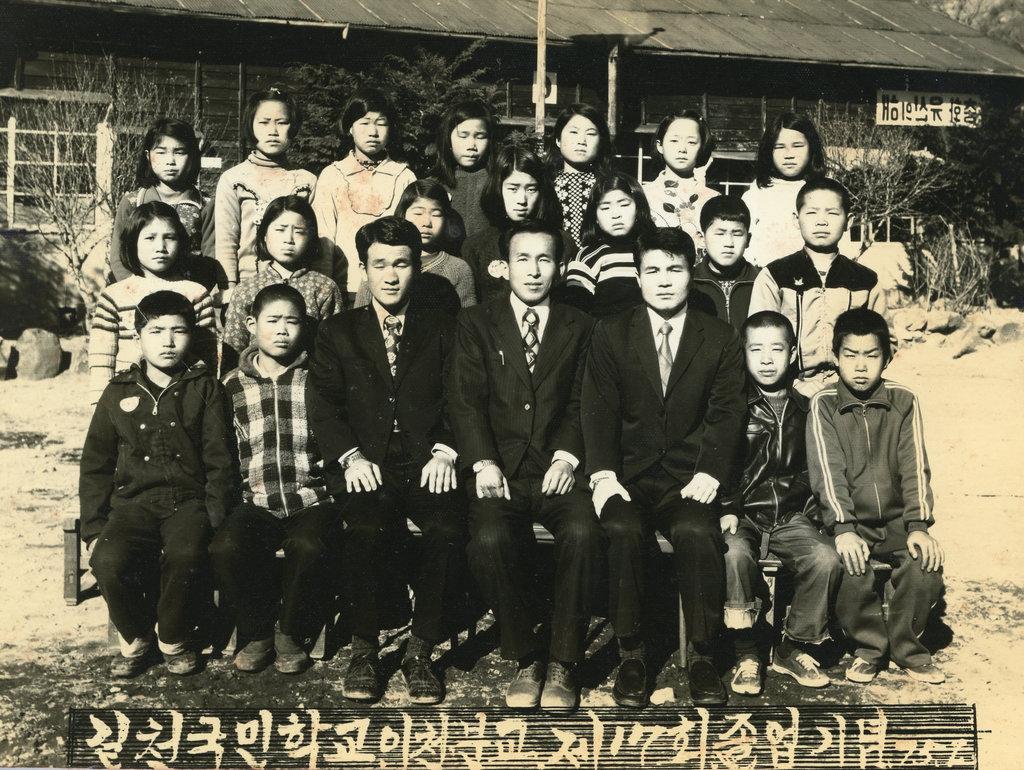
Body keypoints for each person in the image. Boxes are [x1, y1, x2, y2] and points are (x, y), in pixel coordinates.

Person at [582, 227, 747, 708]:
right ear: (637, 276)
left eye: (675, 269)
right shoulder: (611, 332)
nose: (664, 280)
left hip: (687, 479)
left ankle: (701, 655)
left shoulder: (718, 336)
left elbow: (727, 412)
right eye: (652, 270)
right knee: (621, 529)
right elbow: (598, 409)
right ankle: (632, 653)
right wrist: (603, 475)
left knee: (697, 533)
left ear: (691, 274)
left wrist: (710, 472)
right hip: (628, 477)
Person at [306, 216, 466, 705]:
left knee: (446, 529)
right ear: (364, 269)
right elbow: (323, 404)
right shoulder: (338, 331)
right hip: (366, 463)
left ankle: (421, 649)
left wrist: (446, 450)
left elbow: (463, 397)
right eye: (379, 264)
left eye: (401, 264)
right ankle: (364, 647)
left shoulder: (442, 328)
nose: (391, 276)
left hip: (426, 461)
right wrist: (350, 457)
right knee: (364, 528)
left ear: (417, 267)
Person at [447, 219, 603, 712]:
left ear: (560, 267)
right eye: (523, 259)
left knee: (583, 533)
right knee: (488, 539)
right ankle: (527, 654)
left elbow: (584, 401)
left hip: (559, 470)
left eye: (544, 260)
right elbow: (465, 401)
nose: (534, 271)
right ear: (503, 267)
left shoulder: (581, 325)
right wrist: (483, 462)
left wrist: (568, 456)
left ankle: (563, 660)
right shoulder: (476, 322)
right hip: (501, 470)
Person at [81, 291, 232, 678]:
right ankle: (136, 636)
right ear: (137, 337)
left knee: (186, 553)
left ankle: (173, 636)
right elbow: (96, 464)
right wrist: (94, 528)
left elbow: (219, 459)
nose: (168, 341)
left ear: (191, 335)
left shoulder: (204, 388)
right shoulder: (118, 392)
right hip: (133, 504)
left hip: (187, 503)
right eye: (156, 331)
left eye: (178, 331)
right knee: (106, 560)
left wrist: (213, 516)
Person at [807, 307, 946, 686]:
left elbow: (916, 466)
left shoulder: (904, 400)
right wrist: (843, 528)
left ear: (887, 357)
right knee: (851, 568)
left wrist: (918, 526)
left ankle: (908, 648)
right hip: (850, 524)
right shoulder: (823, 404)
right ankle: (869, 649)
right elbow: (828, 473)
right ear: (835, 357)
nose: (860, 366)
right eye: (850, 355)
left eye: (871, 355)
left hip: (898, 521)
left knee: (925, 565)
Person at [211, 284, 340, 675]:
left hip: (310, 498)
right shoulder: (231, 385)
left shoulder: (316, 379)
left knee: (309, 546)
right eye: (273, 320)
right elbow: (224, 451)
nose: (282, 330)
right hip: (256, 500)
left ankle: (290, 631)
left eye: (292, 322)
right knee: (227, 548)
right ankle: (257, 632)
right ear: (252, 325)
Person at [720, 311, 842, 697]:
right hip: (743, 513)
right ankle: (746, 652)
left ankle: (793, 645)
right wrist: (729, 507)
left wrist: (810, 512)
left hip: (790, 514)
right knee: (734, 554)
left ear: (792, 355)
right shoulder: (732, 405)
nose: (767, 359)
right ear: (743, 354)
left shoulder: (807, 408)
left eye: (777, 349)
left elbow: (813, 466)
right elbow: (721, 462)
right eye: (756, 349)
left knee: (825, 558)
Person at [748, 176, 886, 396]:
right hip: (790, 389)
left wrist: (851, 380)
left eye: (832, 213)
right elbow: (759, 340)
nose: (822, 222)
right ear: (796, 219)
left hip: (851, 390)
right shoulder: (775, 276)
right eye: (812, 213)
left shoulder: (865, 281)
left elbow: (885, 342)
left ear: (849, 221)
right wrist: (793, 384)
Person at [89, 202, 216, 404]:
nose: (160, 247)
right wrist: (100, 404)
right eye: (150, 238)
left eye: (169, 237)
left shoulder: (196, 293)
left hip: (181, 400)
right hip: (127, 399)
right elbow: (101, 358)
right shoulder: (115, 295)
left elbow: (206, 357)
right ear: (133, 243)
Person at [214, 87, 317, 298]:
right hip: (246, 287)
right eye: (264, 122)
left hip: (298, 288)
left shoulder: (306, 181)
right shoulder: (234, 179)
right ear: (250, 126)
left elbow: (317, 241)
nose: (273, 131)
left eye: (282, 122)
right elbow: (226, 240)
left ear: (293, 126)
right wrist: (229, 287)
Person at [313, 88, 417, 294]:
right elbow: (324, 238)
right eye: (365, 123)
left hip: (391, 288)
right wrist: (324, 289)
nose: (373, 132)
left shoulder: (404, 177)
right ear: (350, 128)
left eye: (381, 123)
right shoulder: (333, 175)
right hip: (344, 288)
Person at [222, 195, 343, 359]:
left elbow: (334, 348)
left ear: (310, 238)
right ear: (264, 235)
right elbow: (233, 349)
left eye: (299, 232)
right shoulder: (246, 289)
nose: (289, 240)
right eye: (280, 230)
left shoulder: (324, 287)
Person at [108, 118, 220, 290]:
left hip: (187, 295)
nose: (170, 161)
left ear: (192, 156)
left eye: (179, 152)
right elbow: (118, 257)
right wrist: (135, 289)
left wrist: (190, 292)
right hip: (137, 293)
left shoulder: (205, 204)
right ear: (148, 156)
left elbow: (210, 259)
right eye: (161, 152)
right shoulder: (133, 202)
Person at [462, 143, 568, 304]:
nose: (522, 200)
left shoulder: (562, 242)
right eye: (513, 189)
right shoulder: (476, 246)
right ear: (498, 189)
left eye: (531, 189)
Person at [353, 179, 476, 308]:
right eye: (418, 213)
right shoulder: (378, 263)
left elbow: (467, 317)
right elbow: (360, 314)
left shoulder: (458, 268)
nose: (426, 222)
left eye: (436, 214)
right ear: (403, 214)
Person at [560, 172, 656, 318]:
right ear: (595, 217)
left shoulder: (654, 251)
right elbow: (576, 311)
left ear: (638, 209)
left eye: (624, 205)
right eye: (605, 208)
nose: (616, 215)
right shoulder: (587, 256)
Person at [741, 112, 826, 267]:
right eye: (779, 147)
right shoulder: (756, 193)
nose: (789, 155)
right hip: (763, 274)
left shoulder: (824, 192)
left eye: (797, 146)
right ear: (769, 151)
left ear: (811, 148)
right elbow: (743, 241)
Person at [642, 111, 720, 250]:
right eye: (674, 141)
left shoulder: (714, 199)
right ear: (660, 146)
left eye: (691, 142)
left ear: (701, 147)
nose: (682, 149)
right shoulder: (642, 195)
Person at [431, 99, 497, 252]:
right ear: (448, 139)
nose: (471, 146)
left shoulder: (499, 182)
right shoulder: (433, 184)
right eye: (463, 136)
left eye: (480, 136)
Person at [688, 196, 760, 331]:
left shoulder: (761, 281)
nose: (728, 243)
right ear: (702, 238)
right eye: (720, 234)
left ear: (748, 240)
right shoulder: (690, 282)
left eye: (737, 234)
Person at [548, 104, 613, 251]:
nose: (582, 141)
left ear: (601, 142)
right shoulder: (543, 183)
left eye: (590, 134)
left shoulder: (610, 186)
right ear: (558, 139)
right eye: (573, 132)